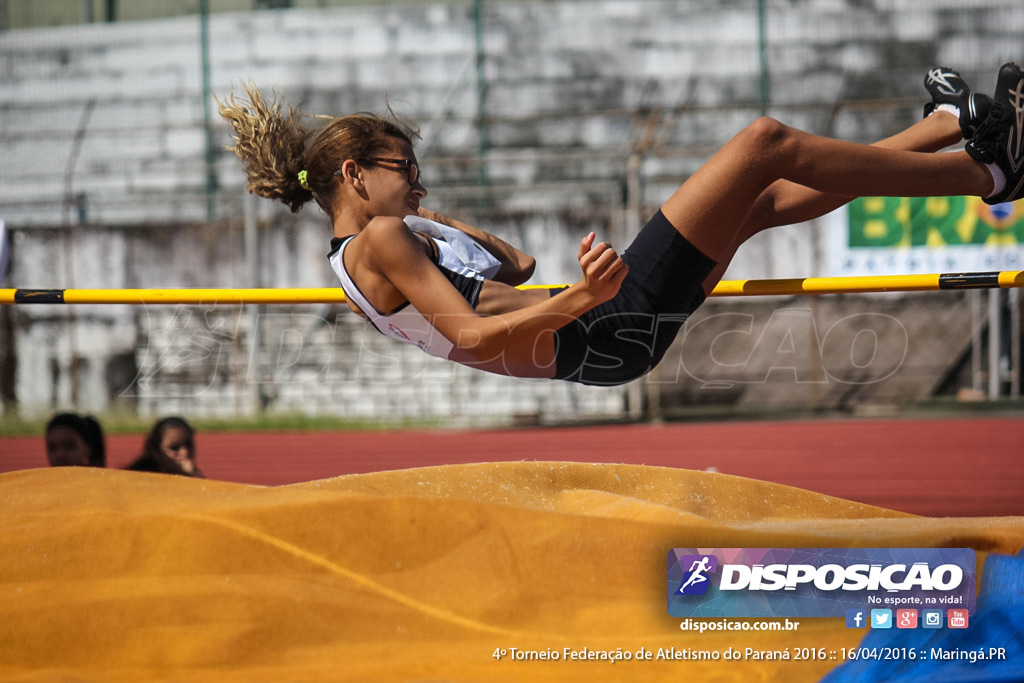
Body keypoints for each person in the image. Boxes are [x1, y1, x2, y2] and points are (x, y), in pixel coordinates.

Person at [219, 63, 1024, 387]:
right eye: (405, 168)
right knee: (761, 144)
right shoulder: (379, 241)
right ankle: (989, 171)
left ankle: (948, 124)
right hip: (603, 321)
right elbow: (469, 335)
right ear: (355, 175)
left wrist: (436, 216)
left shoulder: (368, 250)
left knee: (766, 197)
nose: (418, 179)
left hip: (607, 345)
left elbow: (522, 267)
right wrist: (585, 296)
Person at [125, 416, 204, 477]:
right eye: (174, 448)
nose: (184, 452)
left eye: (189, 444)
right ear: (156, 450)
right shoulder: (141, 478)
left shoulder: (192, 475)